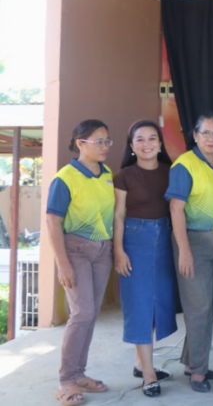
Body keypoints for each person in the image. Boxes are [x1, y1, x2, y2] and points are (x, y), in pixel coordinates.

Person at [47, 120, 116, 406]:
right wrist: (62, 264)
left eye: (107, 141)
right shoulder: (64, 178)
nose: (104, 147)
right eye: (98, 141)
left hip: (103, 251)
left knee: (91, 313)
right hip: (75, 250)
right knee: (82, 313)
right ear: (80, 143)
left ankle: (79, 373)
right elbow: (53, 221)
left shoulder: (107, 173)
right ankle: (66, 381)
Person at [165, 112, 213, 393]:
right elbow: (176, 208)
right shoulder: (184, 165)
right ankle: (198, 374)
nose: (211, 138)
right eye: (205, 133)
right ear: (194, 135)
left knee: (211, 307)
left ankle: (192, 361)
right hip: (193, 241)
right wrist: (184, 251)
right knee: (199, 309)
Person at [113, 120, 176, 398]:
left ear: (160, 144)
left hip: (165, 240)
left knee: (156, 304)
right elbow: (118, 215)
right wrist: (119, 250)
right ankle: (148, 374)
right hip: (134, 241)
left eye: (153, 138)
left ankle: (141, 363)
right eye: (140, 139)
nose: (147, 144)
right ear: (131, 146)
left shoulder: (172, 172)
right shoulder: (123, 175)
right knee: (139, 304)